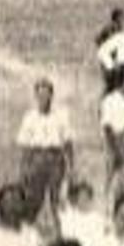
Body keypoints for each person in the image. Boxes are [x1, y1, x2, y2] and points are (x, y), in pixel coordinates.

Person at [16, 78, 75, 214]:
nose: (44, 98)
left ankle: (59, 225)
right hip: (36, 159)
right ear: (36, 96)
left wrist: (71, 168)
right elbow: (25, 148)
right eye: (40, 95)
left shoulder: (61, 115)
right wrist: (23, 169)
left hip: (55, 159)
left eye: (47, 95)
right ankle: (31, 224)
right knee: (34, 198)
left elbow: (68, 143)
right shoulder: (29, 117)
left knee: (57, 198)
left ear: (51, 96)